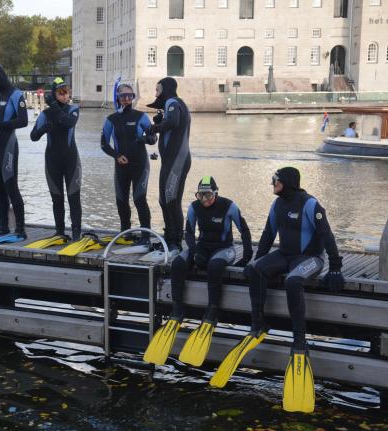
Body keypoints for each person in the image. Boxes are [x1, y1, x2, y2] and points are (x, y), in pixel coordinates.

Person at [210, 167, 344, 413]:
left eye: (276, 180)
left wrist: (335, 266)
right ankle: (258, 324)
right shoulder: (278, 205)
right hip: (285, 255)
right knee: (254, 271)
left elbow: (326, 234)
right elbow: (268, 234)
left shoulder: (310, 204)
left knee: (293, 281)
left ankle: (299, 340)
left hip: (311, 258)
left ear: (288, 182)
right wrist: (257, 260)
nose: (272, 183)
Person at [144, 176, 254, 368]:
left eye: (209, 195)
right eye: (201, 195)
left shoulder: (229, 206)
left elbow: (244, 230)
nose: (205, 200)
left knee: (214, 266)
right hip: (202, 247)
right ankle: (178, 308)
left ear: (216, 193)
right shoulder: (195, 207)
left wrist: (246, 256)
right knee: (178, 264)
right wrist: (194, 253)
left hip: (224, 248)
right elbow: (188, 233)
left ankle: (212, 311)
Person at [100, 83, 156, 240]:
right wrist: (117, 156)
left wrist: (146, 138)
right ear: (118, 97)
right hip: (121, 166)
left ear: (133, 97)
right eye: (123, 96)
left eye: (129, 96)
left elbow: (153, 138)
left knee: (139, 199)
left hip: (140, 165)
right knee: (121, 201)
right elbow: (104, 144)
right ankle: (126, 232)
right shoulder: (111, 119)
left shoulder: (141, 116)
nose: (126, 98)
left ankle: (146, 235)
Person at [30, 77, 82, 240]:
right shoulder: (45, 114)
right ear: (54, 94)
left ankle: (76, 233)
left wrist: (53, 105)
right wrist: (44, 128)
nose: (65, 96)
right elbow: (33, 136)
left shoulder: (73, 109)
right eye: (61, 93)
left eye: (67, 92)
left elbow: (67, 123)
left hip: (71, 160)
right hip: (52, 161)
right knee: (56, 198)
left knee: (73, 197)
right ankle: (60, 232)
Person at [0, 63, 28, 237]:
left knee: (11, 187)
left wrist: (0, 125)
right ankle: (3, 228)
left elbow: (23, 121)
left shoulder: (16, 95)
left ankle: (20, 230)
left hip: (8, 146)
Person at [147, 77, 191, 254]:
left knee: (172, 200)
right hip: (169, 162)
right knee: (164, 200)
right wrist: (159, 122)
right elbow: (171, 124)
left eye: (158, 90)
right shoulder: (171, 105)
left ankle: (176, 242)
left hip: (177, 161)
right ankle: (169, 238)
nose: (156, 94)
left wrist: (154, 128)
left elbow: (173, 122)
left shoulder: (173, 102)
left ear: (165, 89)